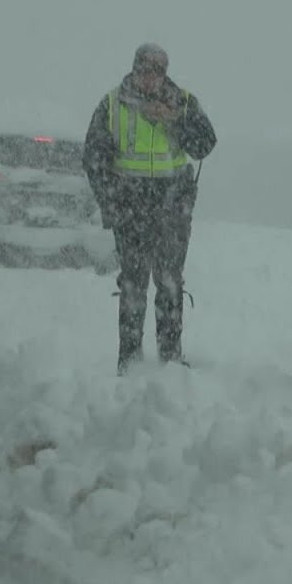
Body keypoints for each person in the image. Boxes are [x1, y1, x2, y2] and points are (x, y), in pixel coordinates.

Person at [82, 43, 217, 375]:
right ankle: (129, 361)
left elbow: (205, 145)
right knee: (133, 283)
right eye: (145, 71)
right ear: (135, 69)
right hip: (131, 207)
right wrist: (111, 203)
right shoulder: (112, 104)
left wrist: (175, 121)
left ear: (165, 73)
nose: (151, 79)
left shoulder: (183, 103)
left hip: (172, 206)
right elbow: (94, 157)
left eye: (157, 72)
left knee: (170, 282)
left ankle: (170, 358)